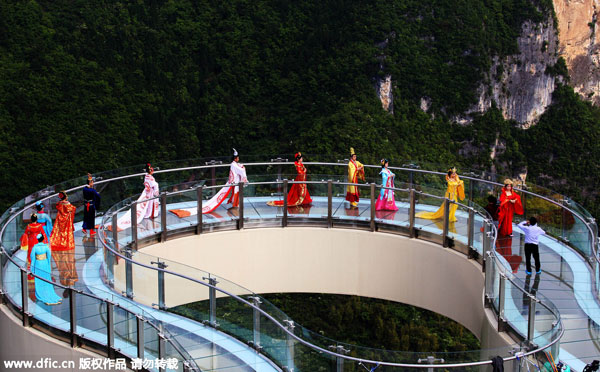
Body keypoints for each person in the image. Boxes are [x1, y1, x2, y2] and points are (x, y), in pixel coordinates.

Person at [170, 149, 249, 217]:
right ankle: (235, 205)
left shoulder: (234, 165)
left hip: (234, 182)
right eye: (237, 158)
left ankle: (235, 205)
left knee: (235, 193)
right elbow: (241, 170)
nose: (238, 159)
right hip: (233, 182)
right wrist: (243, 168)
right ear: (235, 159)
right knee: (233, 193)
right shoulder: (234, 165)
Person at [116, 163, 160, 230]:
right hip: (151, 192)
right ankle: (151, 214)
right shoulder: (150, 178)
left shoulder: (146, 176)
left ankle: (149, 214)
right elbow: (155, 185)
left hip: (148, 192)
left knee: (147, 204)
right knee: (150, 204)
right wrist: (156, 192)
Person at [50, 191, 78, 286]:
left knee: (60, 231)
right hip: (67, 222)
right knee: (66, 233)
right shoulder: (68, 205)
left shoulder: (59, 204)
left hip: (59, 219)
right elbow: (72, 209)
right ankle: (66, 242)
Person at [30, 234, 62, 305]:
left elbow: (33, 259)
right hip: (45, 264)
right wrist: (48, 266)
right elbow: (49, 256)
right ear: (43, 239)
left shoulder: (35, 247)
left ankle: (42, 294)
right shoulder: (46, 247)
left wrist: (32, 270)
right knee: (46, 279)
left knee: (39, 279)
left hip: (38, 264)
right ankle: (50, 295)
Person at [20, 213, 48, 280]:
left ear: (31, 219)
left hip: (31, 241)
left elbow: (25, 234)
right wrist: (45, 241)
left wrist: (22, 241)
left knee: (30, 253)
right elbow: (43, 233)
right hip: (37, 241)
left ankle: (30, 268)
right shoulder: (39, 226)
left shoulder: (29, 226)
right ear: (36, 219)